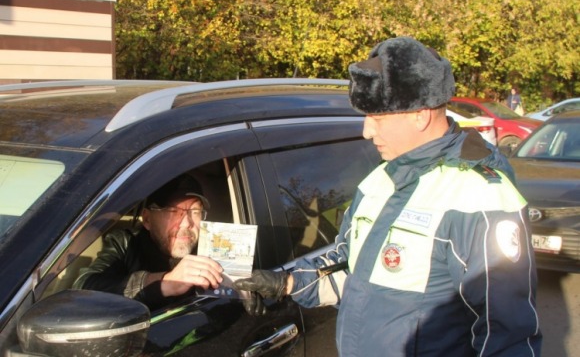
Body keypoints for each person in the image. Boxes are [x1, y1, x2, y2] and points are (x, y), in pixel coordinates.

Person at [234, 37, 542, 356]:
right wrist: (285, 283)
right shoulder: (378, 181)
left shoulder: (479, 196)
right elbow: (351, 273)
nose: (367, 132)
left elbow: (507, 333)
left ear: (420, 114)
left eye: (377, 118)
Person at [73, 174, 224, 309]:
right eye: (173, 212)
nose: (186, 223)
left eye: (195, 212)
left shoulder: (212, 247)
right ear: (147, 219)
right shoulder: (126, 243)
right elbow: (84, 288)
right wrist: (164, 282)